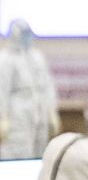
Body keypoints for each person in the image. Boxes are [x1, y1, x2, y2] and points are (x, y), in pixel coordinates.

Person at [0, 19, 59, 159]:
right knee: (18, 152)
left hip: (39, 112)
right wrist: (3, 117)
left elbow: (47, 85)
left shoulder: (37, 56)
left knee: (40, 152)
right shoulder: (5, 59)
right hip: (17, 115)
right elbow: (2, 90)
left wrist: (51, 111)